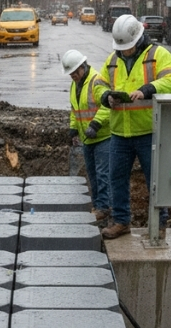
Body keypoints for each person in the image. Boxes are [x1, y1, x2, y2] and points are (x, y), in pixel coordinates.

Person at [98, 14, 171, 239]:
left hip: (148, 131)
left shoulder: (157, 55)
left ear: (138, 39)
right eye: (121, 48)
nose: (124, 51)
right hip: (120, 132)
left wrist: (148, 89)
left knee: (154, 179)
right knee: (117, 178)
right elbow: (99, 84)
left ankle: (160, 224)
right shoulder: (112, 60)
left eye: (128, 47)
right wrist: (106, 97)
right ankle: (122, 221)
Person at [61, 49, 112, 221]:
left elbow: (108, 106)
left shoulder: (96, 81)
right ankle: (98, 206)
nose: (73, 76)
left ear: (83, 67)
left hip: (103, 137)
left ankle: (104, 207)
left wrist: (96, 124)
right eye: (70, 74)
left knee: (102, 174)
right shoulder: (75, 85)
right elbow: (75, 109)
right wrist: (73, 128)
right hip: (87, 138)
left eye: (75, 72)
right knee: (92, 174)